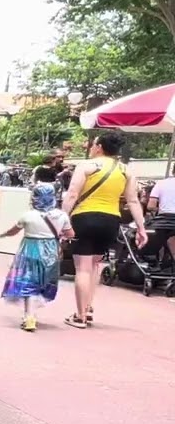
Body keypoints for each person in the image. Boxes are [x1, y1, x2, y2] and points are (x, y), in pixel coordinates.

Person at [60, 132, 148, 328]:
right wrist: (141, 228)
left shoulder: (87, 166)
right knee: (94, 266)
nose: (91, 147)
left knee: (82, 267)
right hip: (111, 220)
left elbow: (73, 194)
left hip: (85, 217)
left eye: (93, 144)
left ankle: (80, 316)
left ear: (99, 147)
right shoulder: (125, 170)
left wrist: (61, 220)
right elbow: (133, 201)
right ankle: (88, 308)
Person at [0, 184, 74, 332]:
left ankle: (29, 317)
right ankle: (31, 314)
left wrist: (4, 234)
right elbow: (71, 234)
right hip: (51, 252)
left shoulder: (28, 215)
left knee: (29, 282)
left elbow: (13, 231)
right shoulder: (61, 215)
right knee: (42, 282)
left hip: (30, 250)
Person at [142, 172, 175, 266]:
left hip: (163, 221)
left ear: (173, 171)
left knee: (153, 240)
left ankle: (153, 264)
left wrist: (161, 208)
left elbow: (150, 206)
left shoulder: (161, 183)